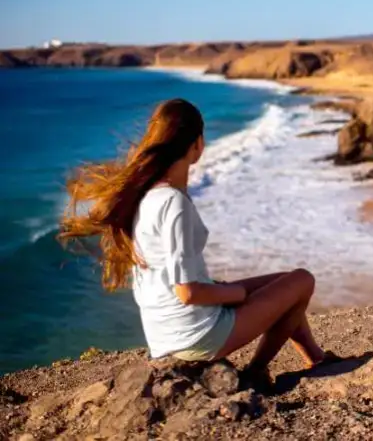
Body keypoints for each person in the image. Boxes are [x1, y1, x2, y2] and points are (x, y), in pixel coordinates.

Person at [59, 99, 336, 385]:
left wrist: (223, 290)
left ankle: (315, 357)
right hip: (195, 335)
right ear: (197, 145)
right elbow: (188, 292)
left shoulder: (146, 195)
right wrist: (237, 294)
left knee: (284, 282)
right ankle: (255, 372)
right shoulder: (173, 202)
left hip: (164, 332)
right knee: (302, 280)